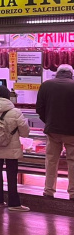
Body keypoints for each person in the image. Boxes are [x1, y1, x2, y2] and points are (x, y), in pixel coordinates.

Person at [36, 63, 74, 199]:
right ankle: (73, 193)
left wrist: (49, 122)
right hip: (72, 132)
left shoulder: (46, 85)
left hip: (53, 131)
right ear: (71, 74)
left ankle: (49, 191)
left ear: (57, 73)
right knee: (72, 162)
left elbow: (39, 108)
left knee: (51, 161)